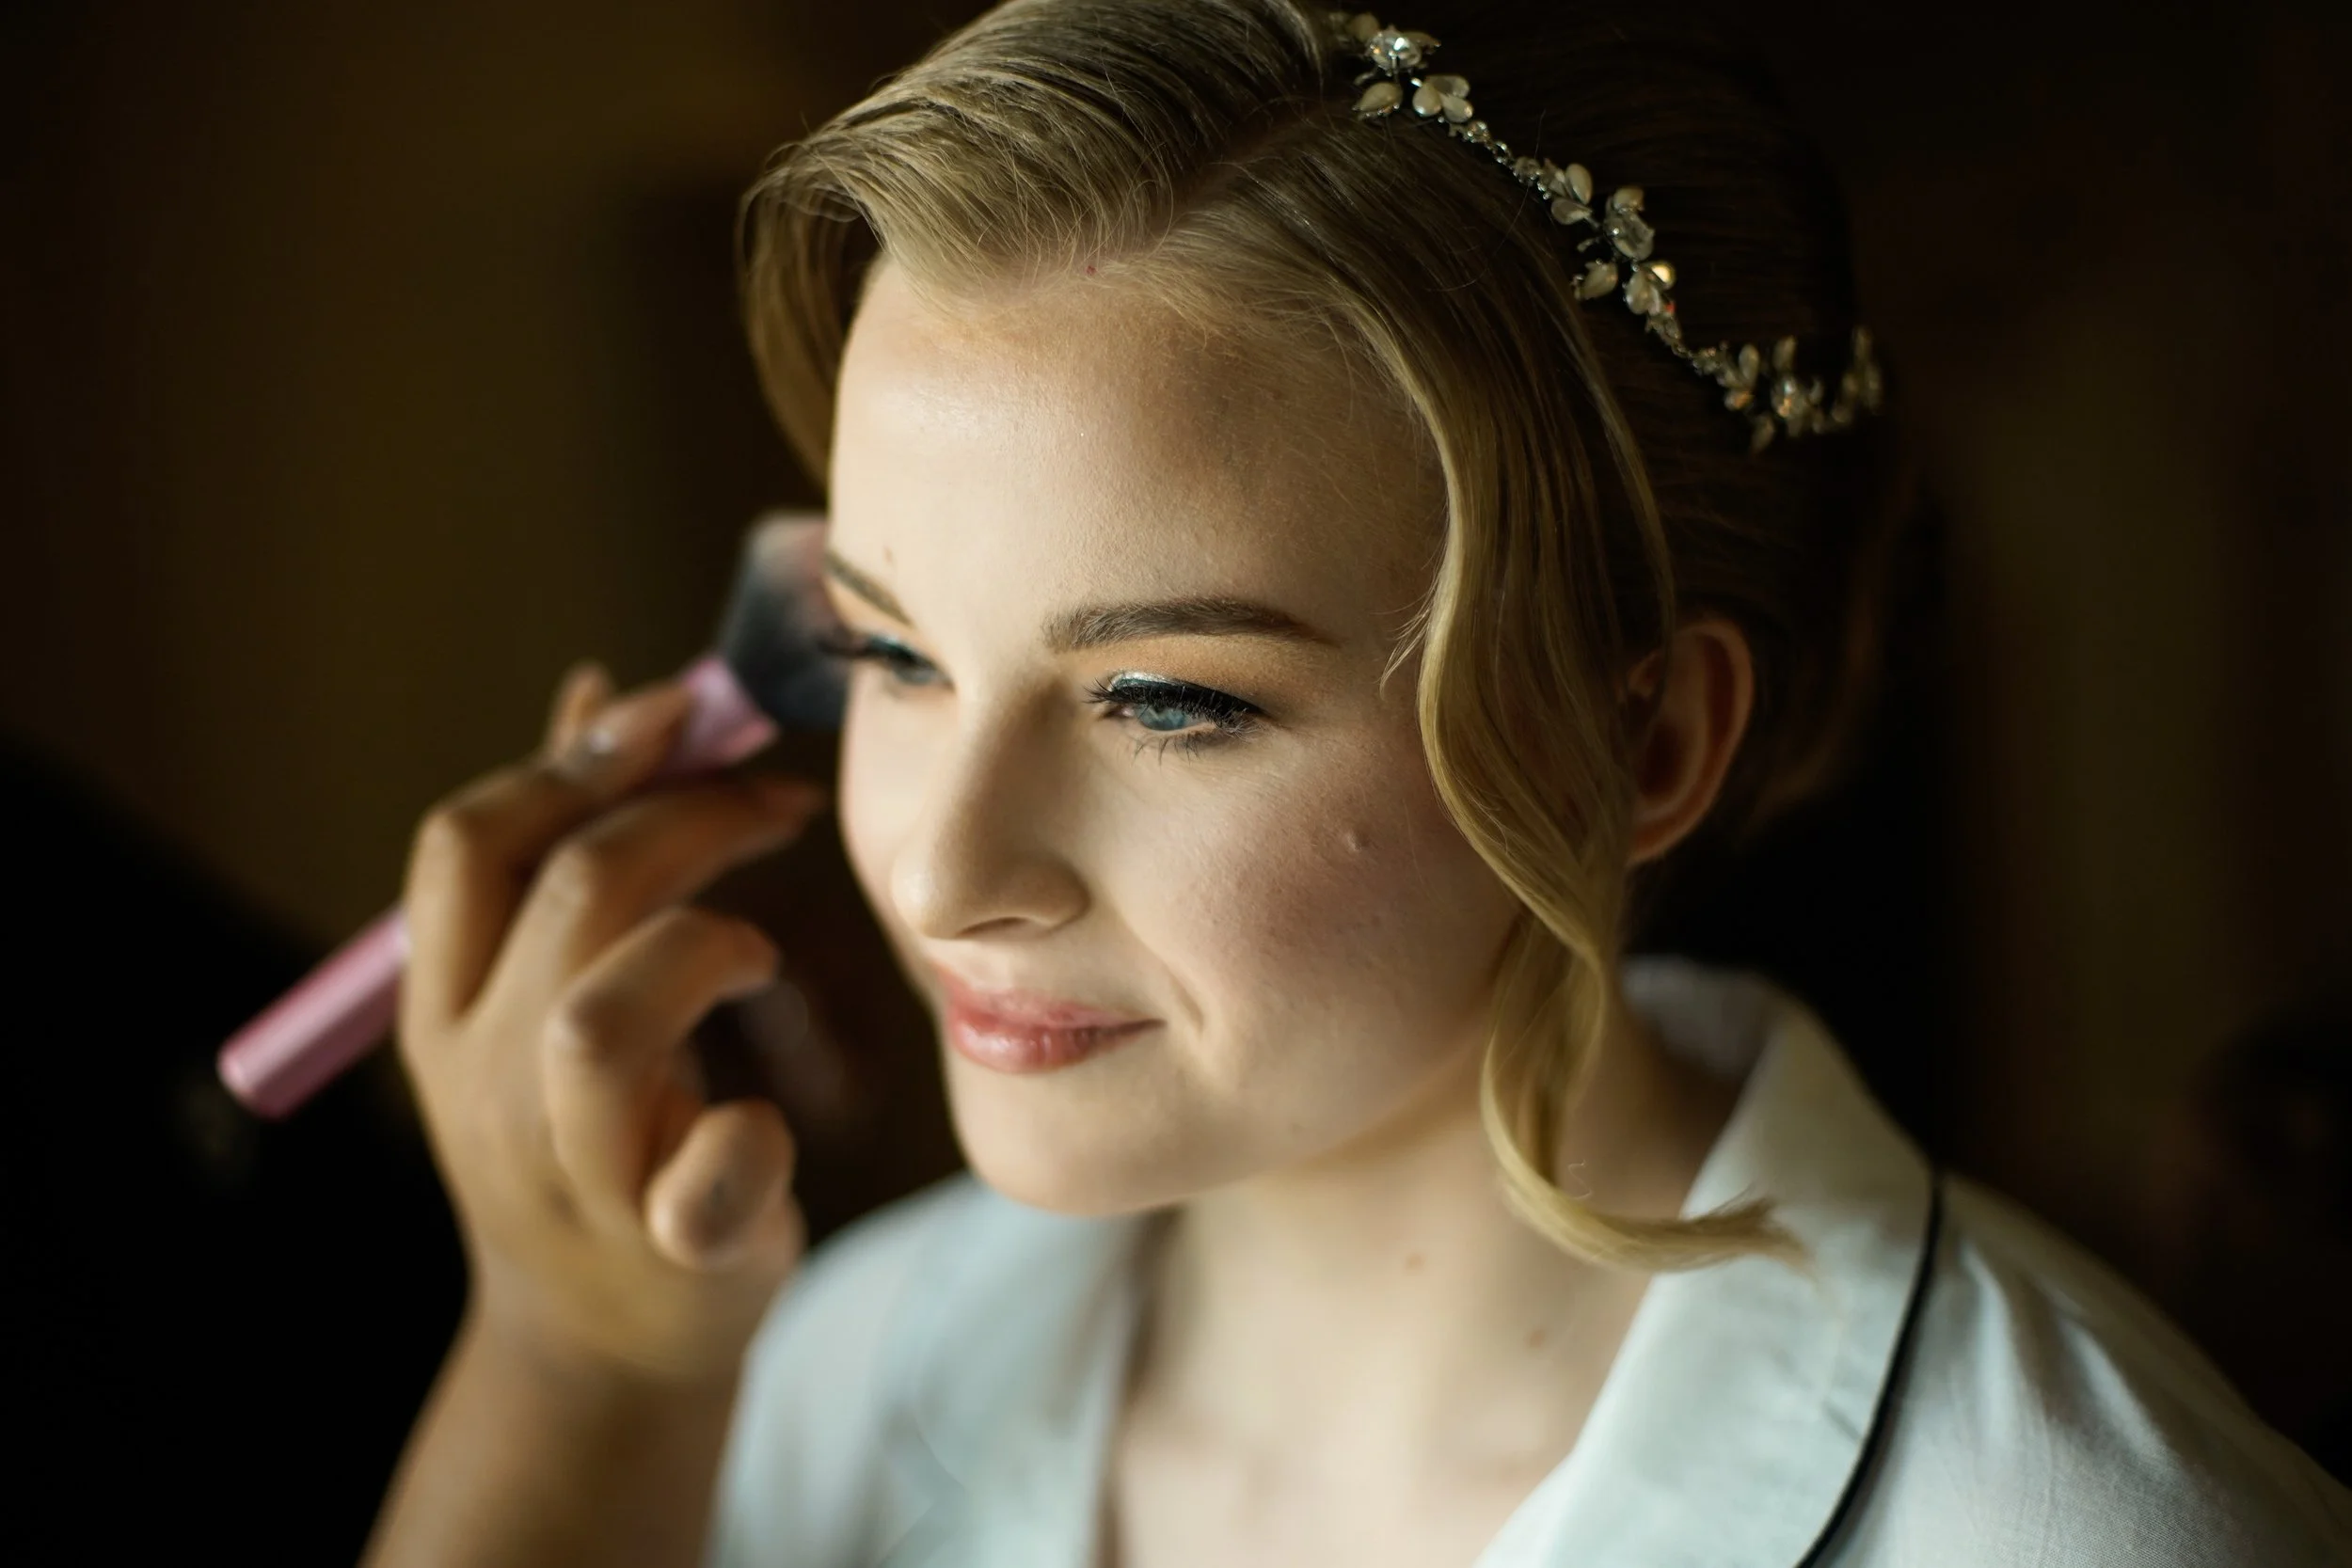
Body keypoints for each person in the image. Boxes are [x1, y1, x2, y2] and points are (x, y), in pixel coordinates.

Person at [358, 2, 2352, 1563]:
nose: (945, 869)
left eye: (1162, 700)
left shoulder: (2079, 1529)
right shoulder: (818, 1379)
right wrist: (565, 1368)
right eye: (890, 652)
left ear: (1639, 739)